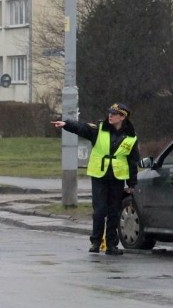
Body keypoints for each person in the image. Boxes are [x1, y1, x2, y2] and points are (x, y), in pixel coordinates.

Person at [51, 103, 139, 255]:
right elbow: (82, 128)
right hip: (100, 175)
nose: (110, 116)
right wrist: (66, 124)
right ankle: (96, 242)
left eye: (114, 114)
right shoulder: (100, 129)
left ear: (123, 117)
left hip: (117, 177)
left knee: (114, 212)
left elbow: (132, 161)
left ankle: (112, 244)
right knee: (99, 211)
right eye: (109, 113)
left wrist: (131, 183)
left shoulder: (131, 137)